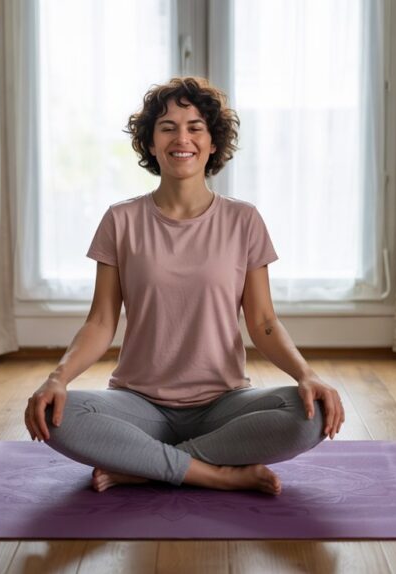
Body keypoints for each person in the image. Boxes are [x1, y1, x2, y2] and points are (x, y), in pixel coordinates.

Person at [23, 77, 345, 495]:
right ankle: (213, 473)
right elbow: (101, 322)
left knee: (313, 414)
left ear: (213, 143)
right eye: (167, 127)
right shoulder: (120, 221)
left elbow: (263, 321)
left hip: (224, 404)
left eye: (195, 127)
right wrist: (57, 378)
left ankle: (143, 464)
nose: (182, 138)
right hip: (138, 403)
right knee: (54, 414)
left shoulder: (243, 220)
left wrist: (307, 374)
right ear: (151, 144)